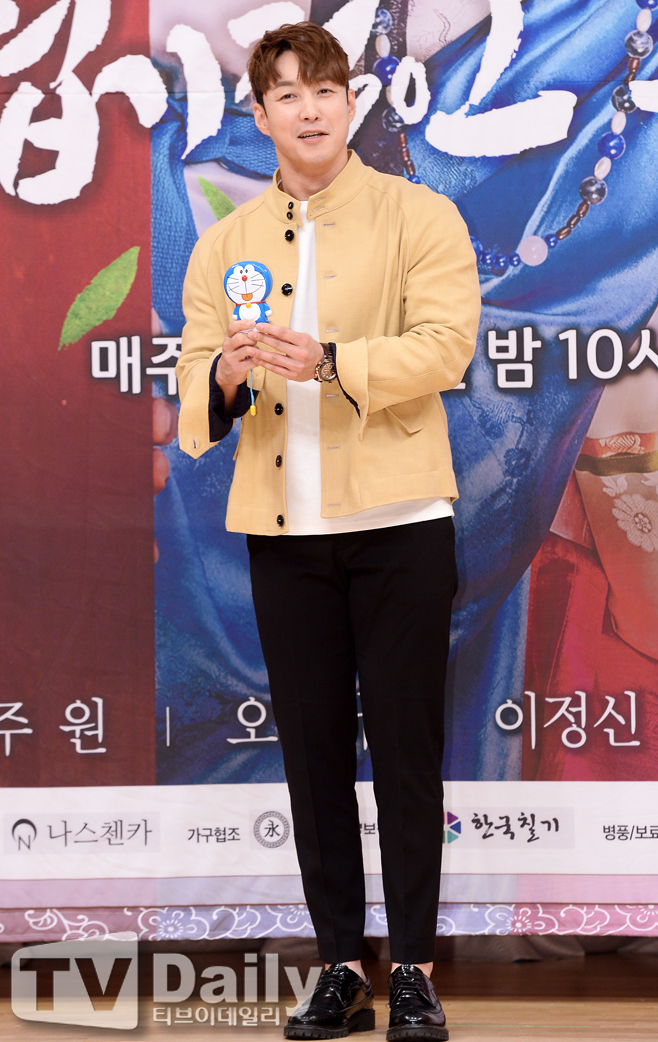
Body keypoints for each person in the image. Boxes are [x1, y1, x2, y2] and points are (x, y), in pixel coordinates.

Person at [176, 21, 479, 1041]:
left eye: (325, 90)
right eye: (287, 94)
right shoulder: (225, 243)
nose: (308, 109)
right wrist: (223, 376)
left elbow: (445, 347)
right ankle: (340, 967)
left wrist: (333, 361)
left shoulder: (417, 213)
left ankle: (417, 971)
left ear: (351, 103)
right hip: (282, 530)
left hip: (400, 523)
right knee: (310, 757)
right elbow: (194, 381)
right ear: (259, 115)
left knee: (405, 751)